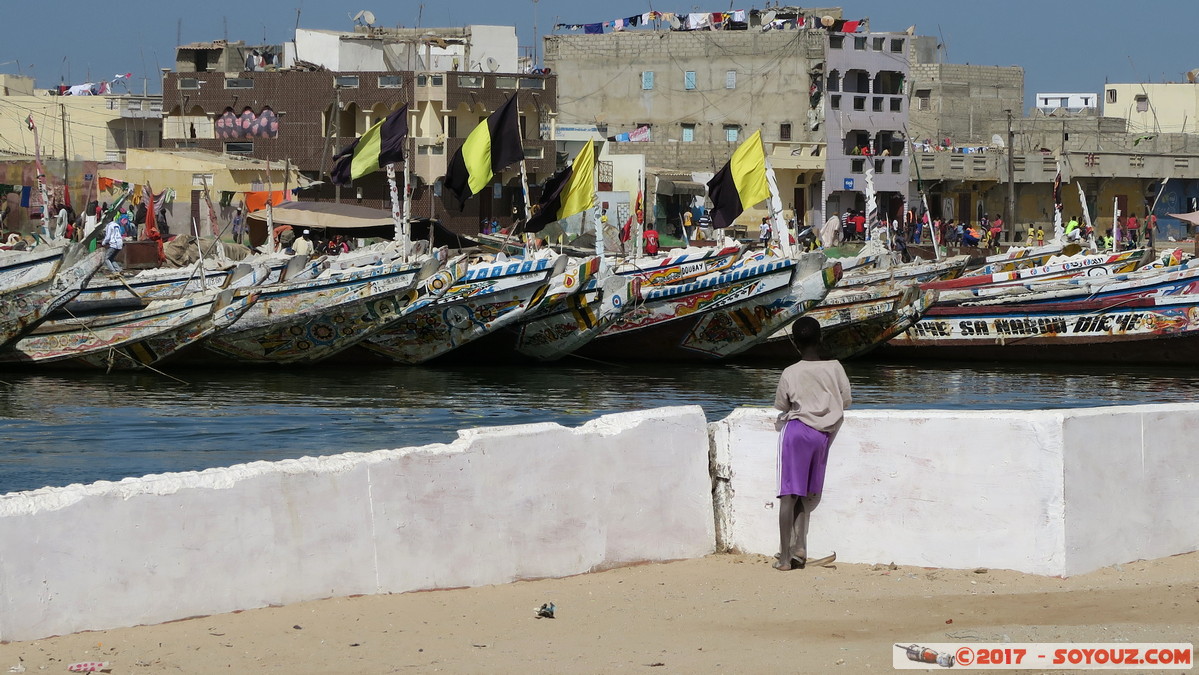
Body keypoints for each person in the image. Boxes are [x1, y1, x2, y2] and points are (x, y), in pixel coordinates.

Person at [772, 316, 852, 571]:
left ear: (795, 343)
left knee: (788, 495)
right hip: (822, 436)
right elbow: (846, 400)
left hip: (796, 433)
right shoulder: (835, 367)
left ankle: (785, 560)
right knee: (803, 495)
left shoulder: (790, 372)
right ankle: (799, 548)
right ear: (820, 339)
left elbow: (782, 406)